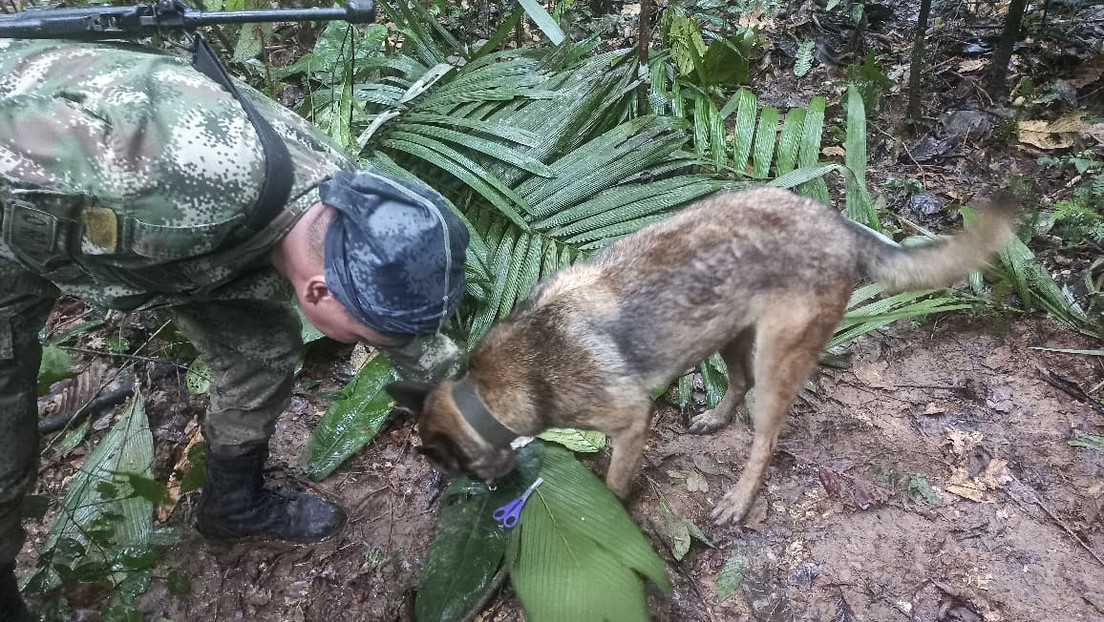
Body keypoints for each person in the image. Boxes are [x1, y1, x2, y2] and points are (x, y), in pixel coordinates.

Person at [0, 38, 469, 621]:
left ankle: (232, 506)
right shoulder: (170, 204)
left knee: (263, 352)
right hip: (22, 202)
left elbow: (407, 332)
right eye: (365, 338)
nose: (370, 346)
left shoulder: (346, 208)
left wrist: (476, 425)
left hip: (164, 229)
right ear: (317, 291)